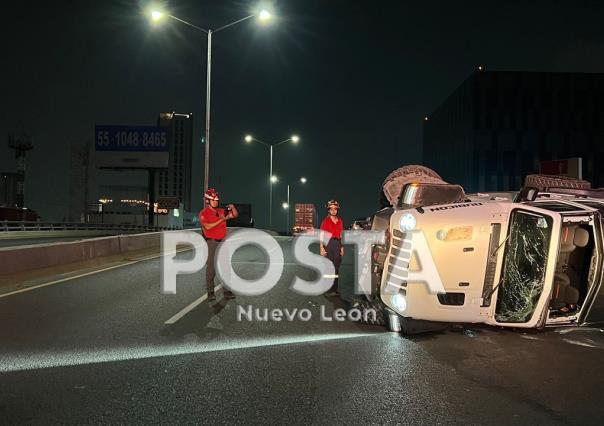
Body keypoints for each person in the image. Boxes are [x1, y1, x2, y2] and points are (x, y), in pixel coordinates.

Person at [199, 188, 238, 301]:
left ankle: (227, 291)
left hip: (222, 242)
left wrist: (233, 208)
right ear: (207, 201)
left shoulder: (221, 211)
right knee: (211, 268)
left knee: (225, 268)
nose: (216, 202)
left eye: (217, 200)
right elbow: (207, 226)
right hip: (211, 242)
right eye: (213, 200)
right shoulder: (204, 213)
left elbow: (234, 215)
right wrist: (222, 220)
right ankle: (210, 292)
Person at [320, 199, 344, 296]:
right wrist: (321, 247)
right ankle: (328, 289)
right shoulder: (325, 221)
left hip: (337, 244)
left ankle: (335, 289)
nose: (334, 211)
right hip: (329, 244)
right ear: (329, 210)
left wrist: (342, 247)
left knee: (337, 267)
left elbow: (341, 234)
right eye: (332, 209)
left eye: (335, 209)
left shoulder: (340, 221)